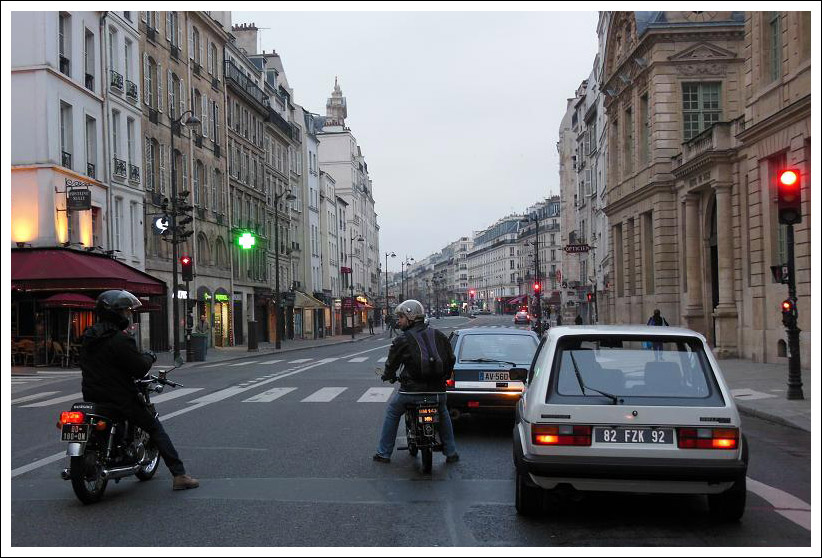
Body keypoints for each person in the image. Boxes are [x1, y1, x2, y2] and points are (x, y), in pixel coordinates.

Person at [79, 290, 199, 491]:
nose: (128, 315)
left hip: (91, 396)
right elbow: (138, 368)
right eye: (126, 312)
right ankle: (179, 475)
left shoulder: (88, 337)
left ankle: (114, 452)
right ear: (117, 314)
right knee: (154, 427)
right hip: (119, 398)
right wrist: (150, 357)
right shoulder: (120, 339)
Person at [374, 299, 459, 464]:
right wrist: (445, 377)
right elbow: (451, 359)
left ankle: (384, 453)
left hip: (411, 392)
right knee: (443, 413)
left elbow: (392, 363)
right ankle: (451, 452)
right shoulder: (439, 336)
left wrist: (388, 375)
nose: (398, 321)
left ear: (410, 317)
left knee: (392, 412)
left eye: (401, 317)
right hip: (437, 392)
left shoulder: (403, 339)